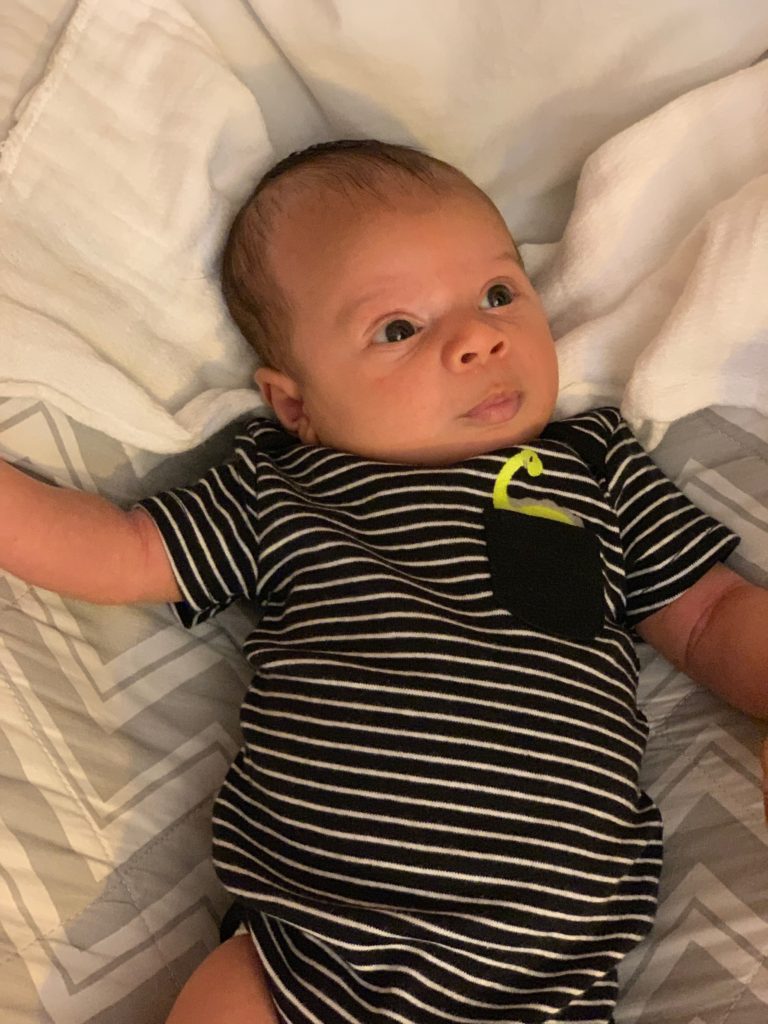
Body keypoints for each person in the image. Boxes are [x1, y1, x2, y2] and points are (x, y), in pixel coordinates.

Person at [1, 140, 767, 1024]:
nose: (479, 338)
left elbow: (708, 616)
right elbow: (120, 550)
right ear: (296, 405)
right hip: (317, 949)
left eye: (498, 294)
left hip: (543, 972)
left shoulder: (593, 467)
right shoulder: (284, 491)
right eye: (399, 329)